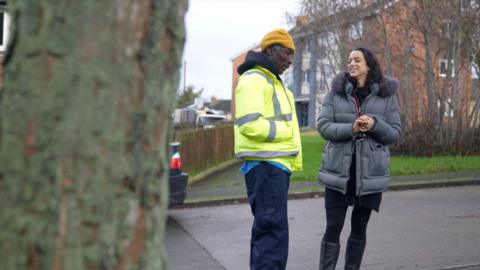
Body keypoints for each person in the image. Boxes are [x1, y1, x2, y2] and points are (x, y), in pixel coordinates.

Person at [316, 47, 401, 269]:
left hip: (370, 174)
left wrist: (375, 124)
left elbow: (394, 133)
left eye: (356, 60)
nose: (351, 63)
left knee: (359, 227)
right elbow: (323, 126)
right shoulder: (335, 93)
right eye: (349, 60)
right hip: (339, 172)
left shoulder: (387, 96)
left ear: (369, 65)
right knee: (333, 227)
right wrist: (350, 128)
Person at [234, 28, 302, 270]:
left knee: (267, 234)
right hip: (267, 167)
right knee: (273, 236)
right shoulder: (255, 79)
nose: (290, 60)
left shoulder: (271, 81)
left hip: (272, 167)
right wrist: (287, 132)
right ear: (271, 50)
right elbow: (249, 124)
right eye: (287, 52)